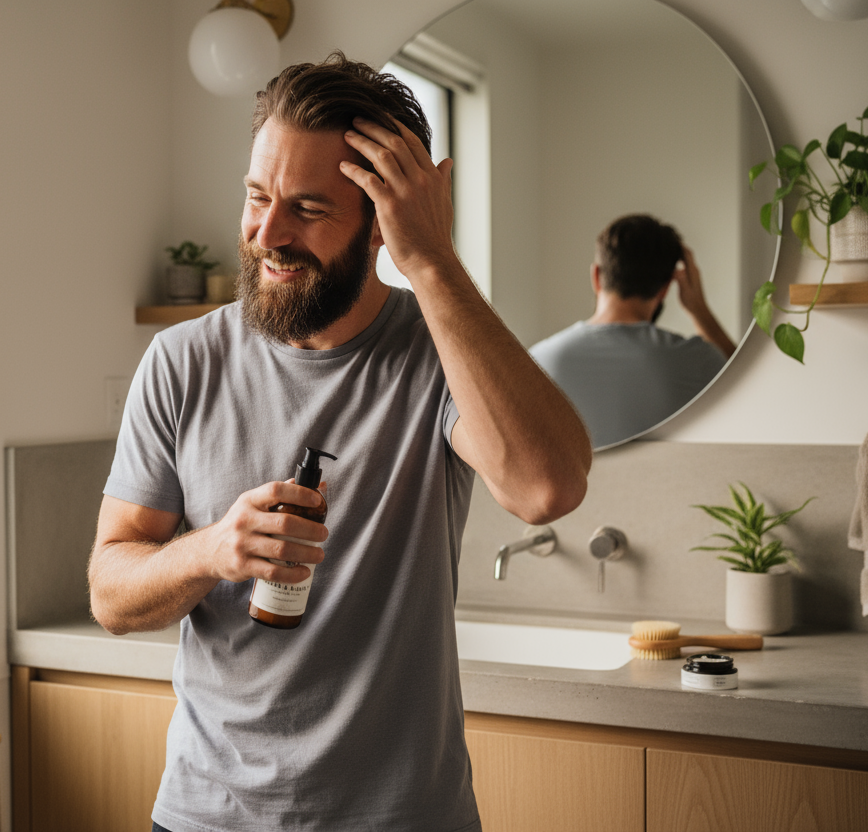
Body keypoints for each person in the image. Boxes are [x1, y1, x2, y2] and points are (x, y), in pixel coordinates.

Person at [89, 53, 591, 832]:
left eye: (309, 209)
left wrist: (431, 258)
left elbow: (546, 488)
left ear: (380, 224)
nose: (267, 234)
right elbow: (110, 592)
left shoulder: (439, 353)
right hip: (207, 817)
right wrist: (214, 548)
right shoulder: (184, 361)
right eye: (257, 197)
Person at [528, 214, 735, 449]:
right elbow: (750, 381)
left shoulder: (536, 361)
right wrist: (700, 310)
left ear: (596, 276)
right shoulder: (699, 360)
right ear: (666, 288)